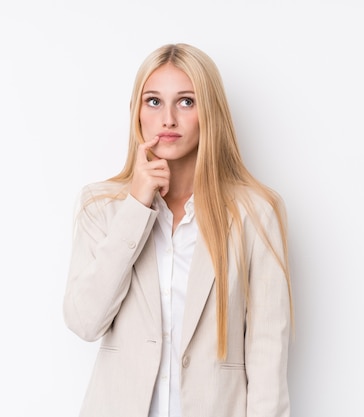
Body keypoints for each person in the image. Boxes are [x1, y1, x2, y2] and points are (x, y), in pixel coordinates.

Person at [63, 43, 293, 417]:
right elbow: (85, 321)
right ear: (138, 113)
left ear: (210, 113)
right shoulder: (101, 207)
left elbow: (269, 355)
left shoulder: (255, 214)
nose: (168, 118)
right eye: (153, 101)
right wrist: (136, 207)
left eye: (186, 102)